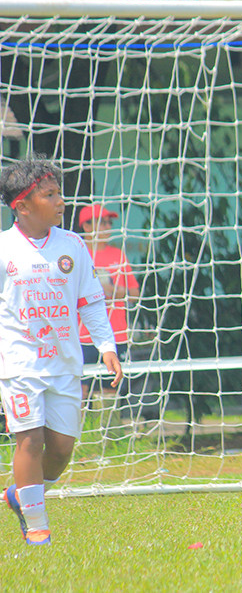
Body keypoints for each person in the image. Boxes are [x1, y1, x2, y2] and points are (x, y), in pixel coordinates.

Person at [0, 156, 122, 546]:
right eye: (49, 195)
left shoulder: (72, 246)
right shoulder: (4, 250)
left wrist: (106, 346)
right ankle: (38, 528)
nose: (60, 201)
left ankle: (22, 496)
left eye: (59, 193)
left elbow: (91, 302)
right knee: (29, 440)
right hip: (19, 363)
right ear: (21, 205)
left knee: (62, 449)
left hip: (65, 364)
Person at [77, 203, 139, 397]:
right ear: (86, 227)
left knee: (109, 389)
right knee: (80, 389)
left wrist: (111, 291)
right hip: (82, 335)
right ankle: (78, 427)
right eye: (101, 223)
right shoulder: (76, 254)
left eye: (108, 223)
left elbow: (134, 293)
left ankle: (110, 427)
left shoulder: (117, 254)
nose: (107, 228)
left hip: (116, 333)